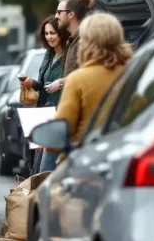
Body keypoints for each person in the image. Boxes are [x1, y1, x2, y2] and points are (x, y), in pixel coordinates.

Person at [55, 13, 132, 149]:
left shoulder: (78, 79)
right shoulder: (134, 72)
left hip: (85, 156)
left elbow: (61, 132)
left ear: (87, 43)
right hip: (125, 156)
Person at [19, 16, 69, 173]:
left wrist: (60, 84)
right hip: (43, 115)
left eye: (53, 33)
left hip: (60, 115)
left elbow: (74, 81)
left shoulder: (69, 56)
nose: (49, 37)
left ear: (61, 33)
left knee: (47, 167)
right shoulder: (48, 55)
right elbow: (43, 85)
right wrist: (31, 83)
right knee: (36, 163)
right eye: (46, 33)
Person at [44, 0, 96, 95]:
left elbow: (87, 75)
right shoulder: (72, 41)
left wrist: (60, 82)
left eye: (59, 12)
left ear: (71, 14)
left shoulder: (85, 40)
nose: (56, 16)